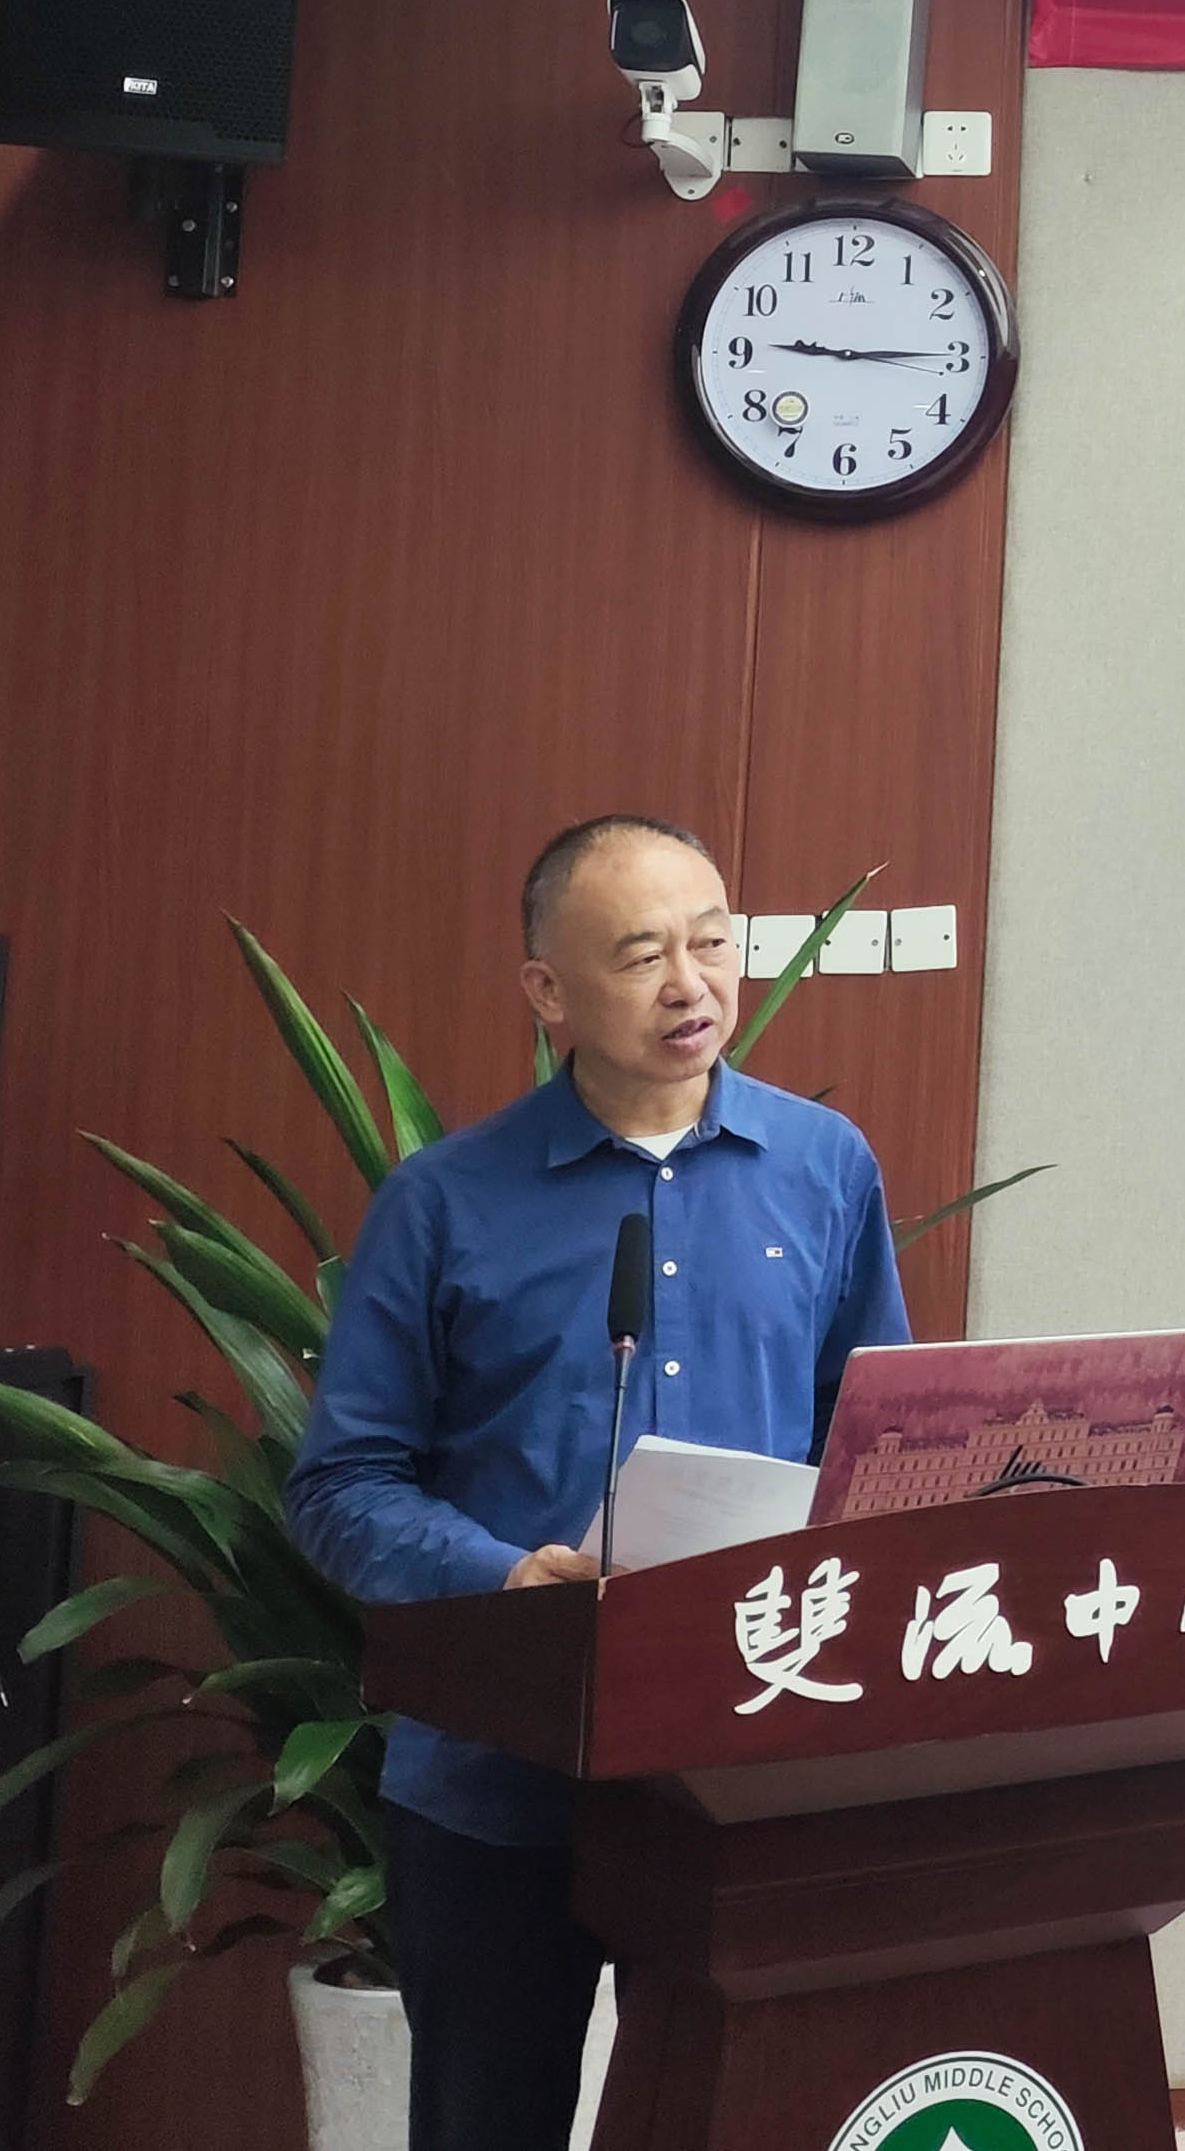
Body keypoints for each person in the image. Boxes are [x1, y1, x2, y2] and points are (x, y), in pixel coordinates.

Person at [291, 816, 911, 2151]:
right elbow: (341, 1486)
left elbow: (875, 1445)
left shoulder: (825, 1167)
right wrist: (505, 1576)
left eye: (712, 942)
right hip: (501, 1775)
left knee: (742, 2120)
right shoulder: (444, 1202)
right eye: (640, 956)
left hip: (745, 1757)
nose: (692, 984)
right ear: (548, 991)